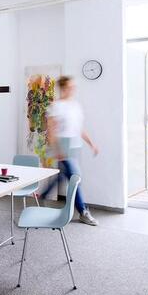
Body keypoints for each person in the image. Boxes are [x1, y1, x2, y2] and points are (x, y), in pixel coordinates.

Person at [41, 76, 99, 226]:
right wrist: (58, 150)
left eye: (73, 86)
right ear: (63, 88)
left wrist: (91, 144)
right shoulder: (55, 106)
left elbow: (79, 129)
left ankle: (43, 196)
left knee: (62, 177)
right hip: (63, 146)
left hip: (75, 146)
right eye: (70, 86)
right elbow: (51, 131)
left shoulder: (75, 106)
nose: (73, 89)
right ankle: (83, 212)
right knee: (75, 178)